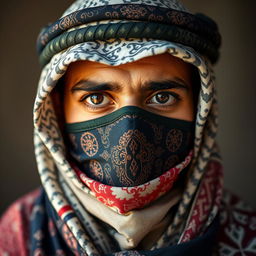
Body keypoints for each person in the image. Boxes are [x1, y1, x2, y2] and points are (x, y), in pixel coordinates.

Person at [0, 0, 255, 255]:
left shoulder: (246, 234)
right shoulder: (19, 233)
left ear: (200, 109)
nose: (130, 133)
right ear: (57, 111)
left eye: (163, 97)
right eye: (96, 99)